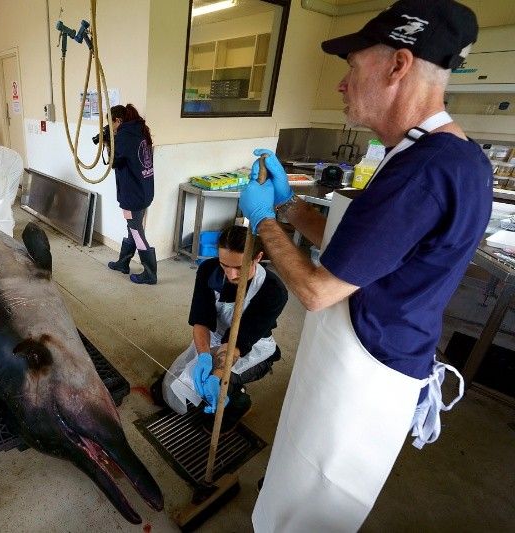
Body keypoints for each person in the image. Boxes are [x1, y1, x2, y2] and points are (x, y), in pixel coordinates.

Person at [238, 1, 491, 530]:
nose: (342, 85)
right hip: (381, 352)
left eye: (353, 68)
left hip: (363, 372)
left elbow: (317, 290)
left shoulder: (424, 171)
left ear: (398, 66)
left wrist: (262, 221)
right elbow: (370, 247)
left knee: (316, 502)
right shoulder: (440, 154)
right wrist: (291, 206)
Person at [158, 225, 288, 433]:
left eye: (239, 267)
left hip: (250, 347)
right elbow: (202, 319)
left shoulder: (273, 291)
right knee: (170, 387)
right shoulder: (208, 270)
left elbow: (239, 341)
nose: (231, 274)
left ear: (258, 257)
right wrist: (203, 357)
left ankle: (239, 401)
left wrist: (218, 375)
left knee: (222, 384)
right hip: (215, 336)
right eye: (224, 264)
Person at [105, 104, 156, 285]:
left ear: (117, 121)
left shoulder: (125, 136)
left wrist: (108, 143)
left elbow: (114, 162)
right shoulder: (140, 131)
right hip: (144, 191)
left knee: (136, 230)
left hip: (133, 194)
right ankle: (123, 263)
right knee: (132, 227)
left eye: (110, 123)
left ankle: (150, 272)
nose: (110, 128)